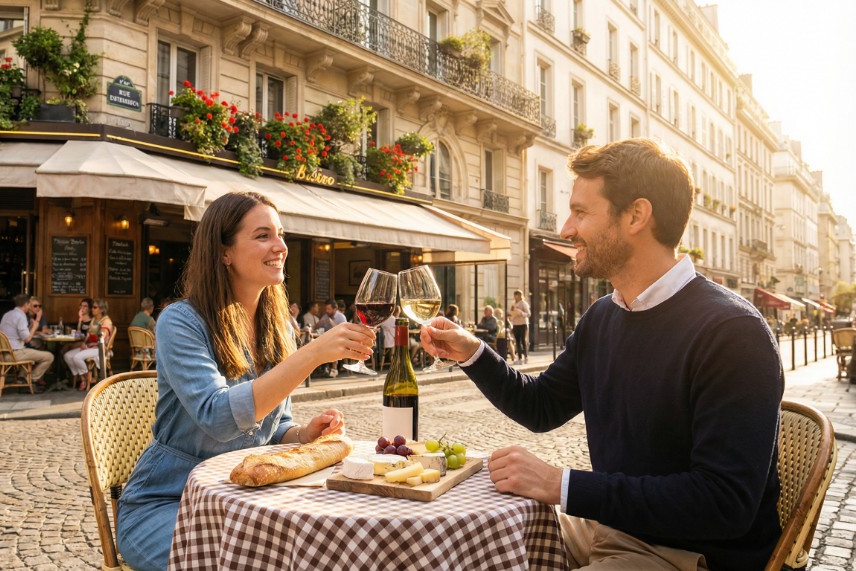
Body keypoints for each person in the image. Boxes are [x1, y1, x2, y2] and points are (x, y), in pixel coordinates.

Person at [420, 139, 783, 570]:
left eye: (581, 212)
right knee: (471, 547)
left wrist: (562, 484)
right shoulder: (603, 317)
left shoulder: (732, 331)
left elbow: (723, 503)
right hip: (613, 525)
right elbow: (542, 407)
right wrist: (473, 351)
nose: (567, 229)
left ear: (635, 215)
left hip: (693, 554)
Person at [116, 191, 373, 571]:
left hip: (242, 502)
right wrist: (313, 354)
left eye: (281, 234)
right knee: (258, 560)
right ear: (224, 252)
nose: (281, 246)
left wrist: (302, 434)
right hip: (169, 503)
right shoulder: (182, 321)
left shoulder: (277, 326)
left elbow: (272, 425)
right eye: (263, 235)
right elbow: (218, 417)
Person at [0, 293, 55, 387]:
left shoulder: (7, 314)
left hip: (2, 354)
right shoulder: (21, 316)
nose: (29, 307)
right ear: (26, 304)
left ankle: (22, 377)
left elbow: (21, 335)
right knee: (49, 356)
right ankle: (30, 379)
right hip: (14, 354)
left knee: (34, 350)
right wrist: (35, 326)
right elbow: (27, 339)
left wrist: (32, 328)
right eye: (29, 304)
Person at [63, 298, 113, 391]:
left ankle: (87, 379)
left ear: (101, 309)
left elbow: (102, 339)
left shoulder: (106, 321)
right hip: (91, 346)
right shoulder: (94, 319)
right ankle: (85, 378)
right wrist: (84, 343)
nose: (92, 309)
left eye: (95, 307)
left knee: (77, 357)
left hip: (100, 349)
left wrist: (90, 344)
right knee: (67, 355)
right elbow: (89, 335)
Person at [510, 290, 531, 365]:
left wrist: (520, 313)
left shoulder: (524, 303)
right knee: (517, 342)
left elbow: (528, 314)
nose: (515, 297)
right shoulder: (513, 304)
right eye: (514, 295)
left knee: (523, 341)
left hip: (523, 324)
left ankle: (526, 357)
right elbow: (511, 312)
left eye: (516, 295)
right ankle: (519, 358)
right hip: (515, 324)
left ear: (520, 296)